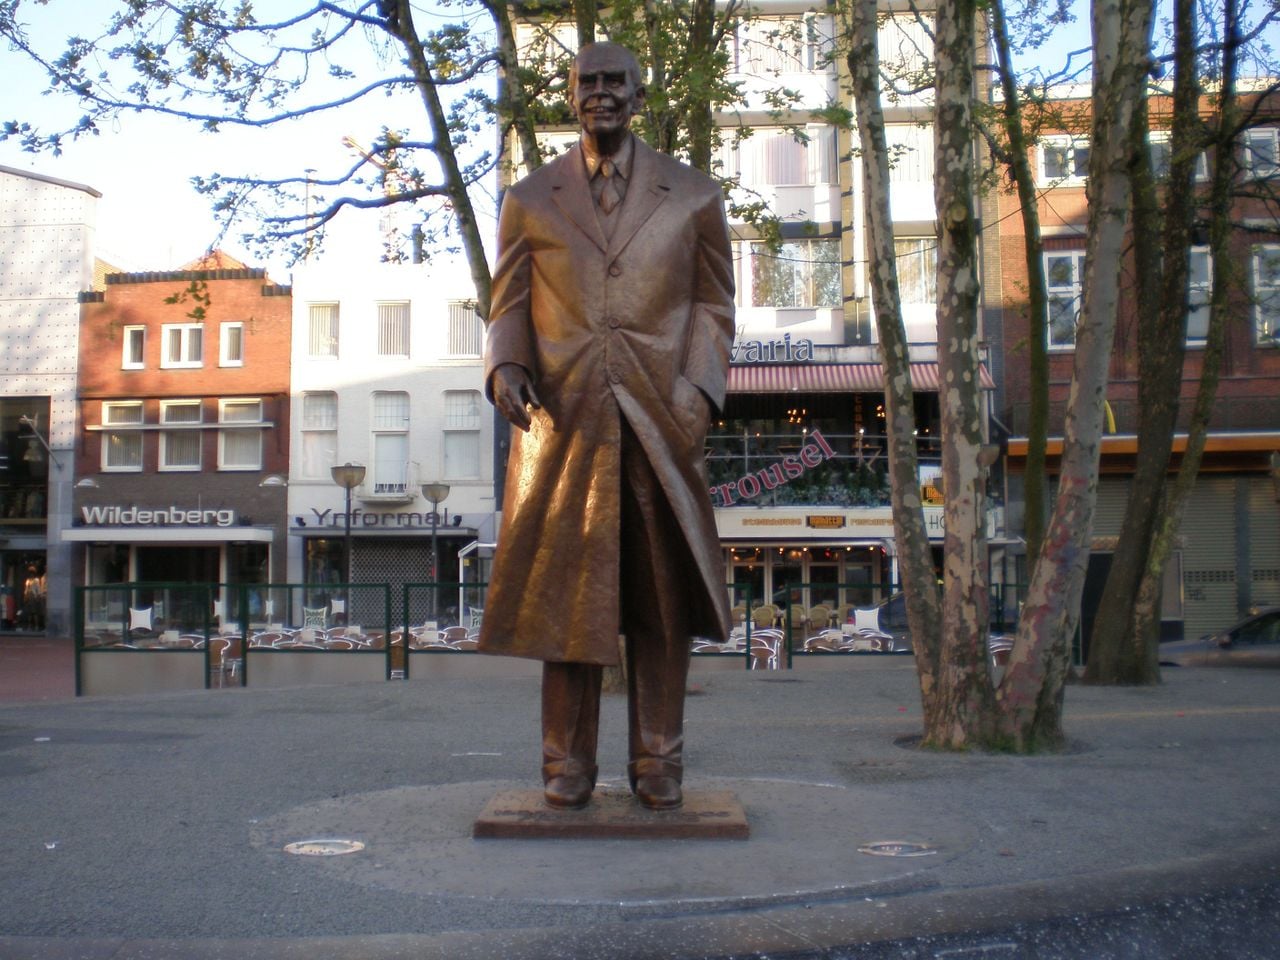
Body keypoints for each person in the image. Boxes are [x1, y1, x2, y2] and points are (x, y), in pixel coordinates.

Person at [478, 41, 734, 811]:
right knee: (567, 600)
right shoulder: (531, 198)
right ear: (570, 94)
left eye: (615, 80)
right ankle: (566, 763)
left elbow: (714, 304)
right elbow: (508, 303)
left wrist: (698, 392)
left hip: (661, 416)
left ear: (639, 93)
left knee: (662, 600)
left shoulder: (695, 196)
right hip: (565, 422)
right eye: (586, 82)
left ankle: (659, 760)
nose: (600, 93)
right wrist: (506, 365)